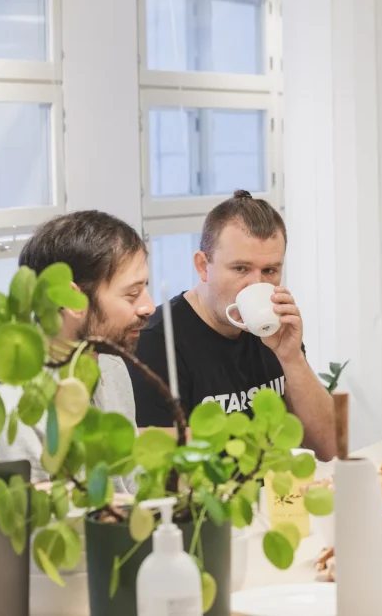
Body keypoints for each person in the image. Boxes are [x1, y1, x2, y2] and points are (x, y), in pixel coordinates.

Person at [130, 190, 336, 461]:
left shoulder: (274, 328)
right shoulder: (157, 342)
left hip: (274, 496)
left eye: (270, 271)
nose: (257, 284)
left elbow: (328, 447)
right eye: (240, 269)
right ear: (203, 266)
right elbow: (159, 464)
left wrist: (292, 357)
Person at [0, 211, 154, 485]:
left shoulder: (109, 362)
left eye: (145, 288)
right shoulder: (9, 410)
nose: (149, 306)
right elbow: (28, 525)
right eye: (132, 294)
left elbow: (126, 485)